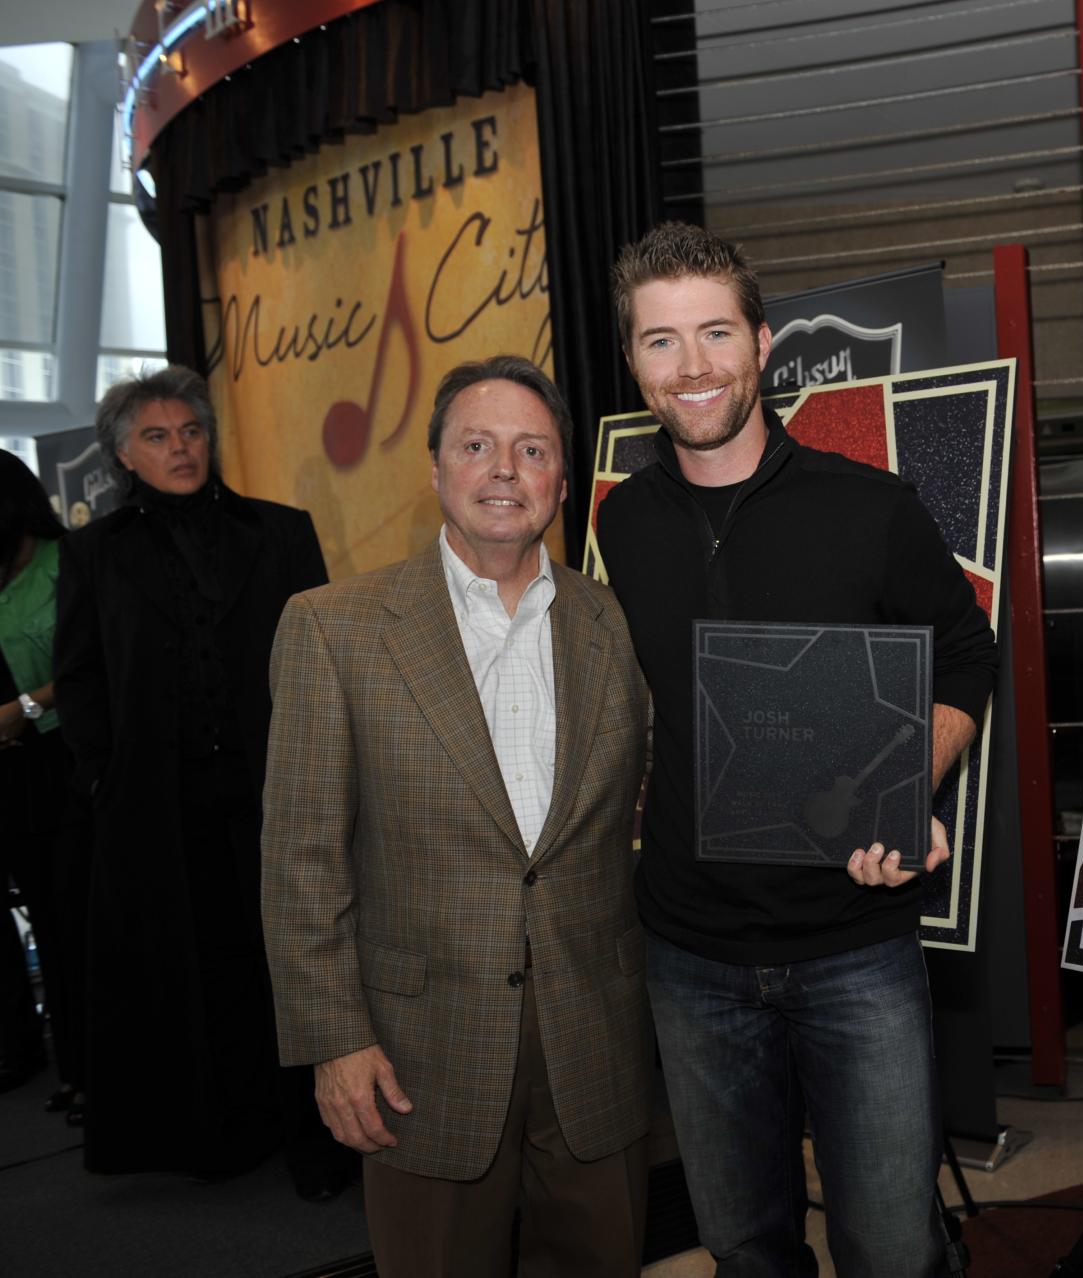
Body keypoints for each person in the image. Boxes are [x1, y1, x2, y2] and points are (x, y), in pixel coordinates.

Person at [596, 221, 997, 1277]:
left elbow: (965, 654)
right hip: (689, 958)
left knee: (890, 1246)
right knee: (746, 1250)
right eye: (661, 342)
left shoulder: (870, 509)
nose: (693, 368)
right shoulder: (619, 525)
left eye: (716, 333)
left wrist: (910, 786)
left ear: (764, 343)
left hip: (853, 945)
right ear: (633, 363)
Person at [261, 355, 652, 1278]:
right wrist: (333, 1040)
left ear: (563, 479)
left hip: (594, 1043)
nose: (504, 470)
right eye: (477, 446)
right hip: (418, 1057)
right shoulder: (333, 629)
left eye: (532, 449)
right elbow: (301, 859)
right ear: (436, 469)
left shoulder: (610, 623)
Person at [52, 367, 344, 1192]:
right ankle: (217, 1139)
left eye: (191, 432)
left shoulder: (282, 533)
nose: (180, 448)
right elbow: (79, 679)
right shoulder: (92, 554)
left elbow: (320, 663)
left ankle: (318, 1139)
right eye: (157, 436)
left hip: (275, 796)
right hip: (155, 810)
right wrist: (107, 776)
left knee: (290, 966)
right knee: (193, 973)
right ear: (123, 456)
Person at [0, 450, 73, 1104]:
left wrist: (24, 708)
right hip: (15, 773)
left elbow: (93, 665)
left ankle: (91, 1066)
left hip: (68, 762)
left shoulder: (67, 564)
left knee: (71, 918)